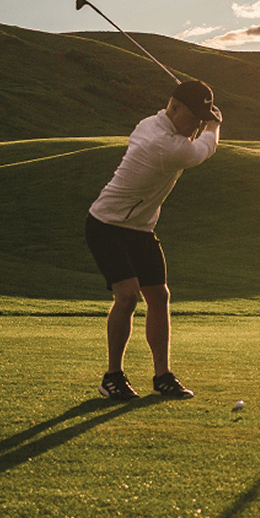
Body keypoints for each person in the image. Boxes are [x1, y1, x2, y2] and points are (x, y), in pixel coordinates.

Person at [85, 80, 221, 400]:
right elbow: (202, 150)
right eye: (195, 117)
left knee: (159, 297)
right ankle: (112, 377)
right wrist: (215, 125)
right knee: (129, 295)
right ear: (173, 108)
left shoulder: (152, 123)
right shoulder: (165, 145)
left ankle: (162, 377)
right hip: (107, 225)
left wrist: (202, 115)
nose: (198, 124)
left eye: (202, 119)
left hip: (140, 229)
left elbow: (189, 136)